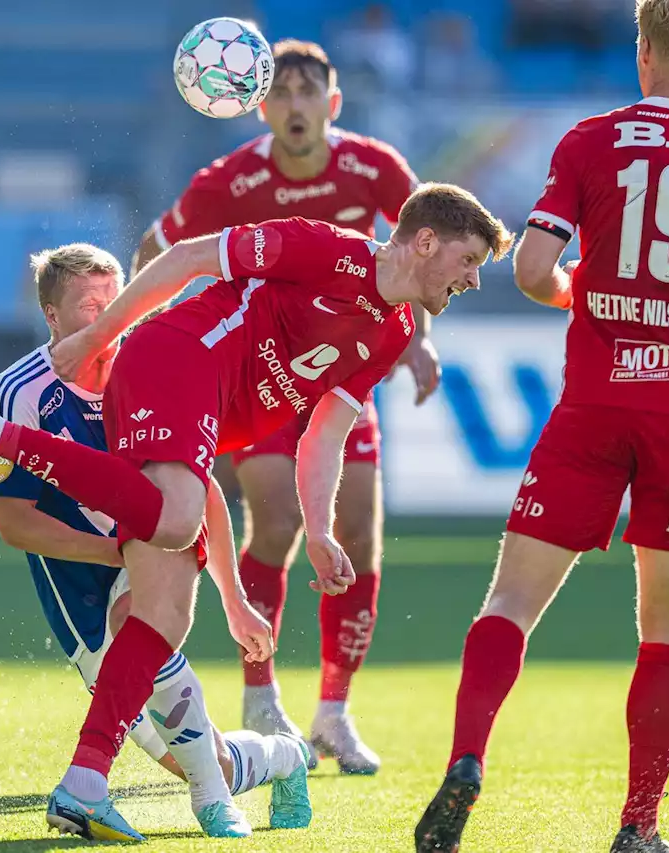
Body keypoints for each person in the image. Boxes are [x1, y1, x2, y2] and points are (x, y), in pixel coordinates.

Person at [0, 184, 513, 841]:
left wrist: (321, 529)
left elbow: (325, 436)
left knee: (165, 612)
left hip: (201, 410)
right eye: (470, 258)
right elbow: (192, 256)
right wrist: (100, 336)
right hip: (181, 354)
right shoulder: (329, 250)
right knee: (173, 520)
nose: (474, 279)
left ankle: (87, 780)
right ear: (425, 241)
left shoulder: (391, 333)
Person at [413, 2, 669, 852]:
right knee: (667, 629)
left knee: (510, 599)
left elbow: (537, 268)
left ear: (644, 51)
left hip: (593, 401)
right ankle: (638, 825)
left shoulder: (589, 141)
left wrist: (585, 297)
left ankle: (468, 756)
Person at [132, 38, 442, 772]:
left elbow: (425, 253)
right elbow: (158, 246)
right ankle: (259, 689)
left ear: (332, 105)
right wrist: (139, 325)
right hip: (259, 378)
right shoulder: (227, 180)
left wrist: (418, 341)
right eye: (284, 93)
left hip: (342, 373)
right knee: (275, 520)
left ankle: (334, 710)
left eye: (311, 93)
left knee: (358, 531)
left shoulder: (375, 169)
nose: (297, 106)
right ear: (259, 104)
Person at [0, 243, 310, 838]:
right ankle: (280, 759)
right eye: (91, 306)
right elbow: (15, 524)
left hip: (148, 560)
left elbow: (201, 489)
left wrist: (235, 601)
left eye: (120, 301)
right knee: (184, 754)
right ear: (52, 318)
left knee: (147, 618)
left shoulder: (151, 365)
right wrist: (115, 551)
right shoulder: (18, 393)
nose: (111, 317)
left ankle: (211, 804)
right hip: (80, 579)